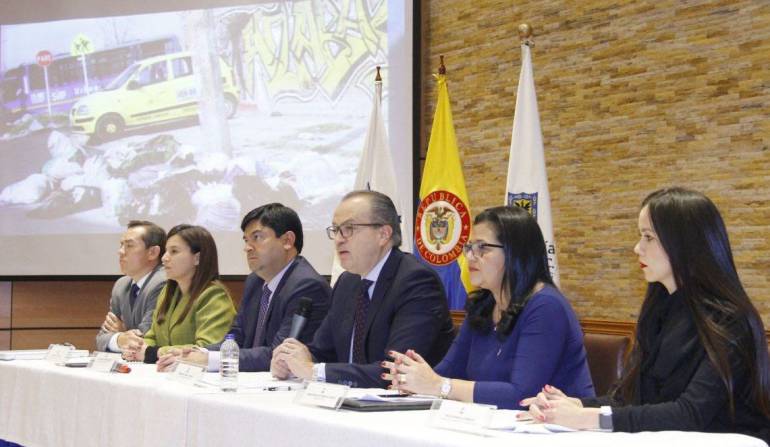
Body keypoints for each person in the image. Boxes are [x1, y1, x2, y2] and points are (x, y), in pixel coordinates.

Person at [521, 187, 770, 442]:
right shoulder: (658, 311)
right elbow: (629, 400)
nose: (637, 248)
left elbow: (690, 415)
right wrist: (573, 405)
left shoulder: (730, 320)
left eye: (648, 237)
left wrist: (587, 418)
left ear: (684, 243)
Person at [383, 206, 594, 408]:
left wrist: (440, 386)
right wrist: (412, 376)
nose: (469, 256)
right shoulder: (483, 305)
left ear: (515, 252)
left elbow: (521, 395)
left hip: (561, 426)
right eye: (469, 247)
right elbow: (447, 371)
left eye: (482, 248)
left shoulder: (546, 306)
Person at [271, 190, 455, 388]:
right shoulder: (347, 282)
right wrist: (292, 360)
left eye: (349, 228)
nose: (339, 239)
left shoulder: (416, 282)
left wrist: (314, 371)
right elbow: (322, 352)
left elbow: (394, 370)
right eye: (336, 229)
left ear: (383, 234)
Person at [156, 203, 331, 372]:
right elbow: (236, 337)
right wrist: (196, 353)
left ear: (287, 241)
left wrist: (209, 359)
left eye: (257, 237)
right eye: (246, 240)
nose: (247, 248)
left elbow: (278, 354)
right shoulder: (255, 281)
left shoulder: (307, 286)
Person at [122, 224, 236, 364]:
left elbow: (206, 348)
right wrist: (137, 348)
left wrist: (153, 352)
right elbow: (152, 336)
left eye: (174, 251)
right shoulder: (167, 292)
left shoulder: (214, 295)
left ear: (197, 258)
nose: (164, 258)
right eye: (166, 251)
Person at [95, 220, 167, 352]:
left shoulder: (162, 283)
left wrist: (122, 333)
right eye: (121, 245)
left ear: (153, 252)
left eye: (129, 245)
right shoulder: (121, 285)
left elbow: (146, 338)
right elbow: (101, 339)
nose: (120, 251)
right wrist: (120, 338)